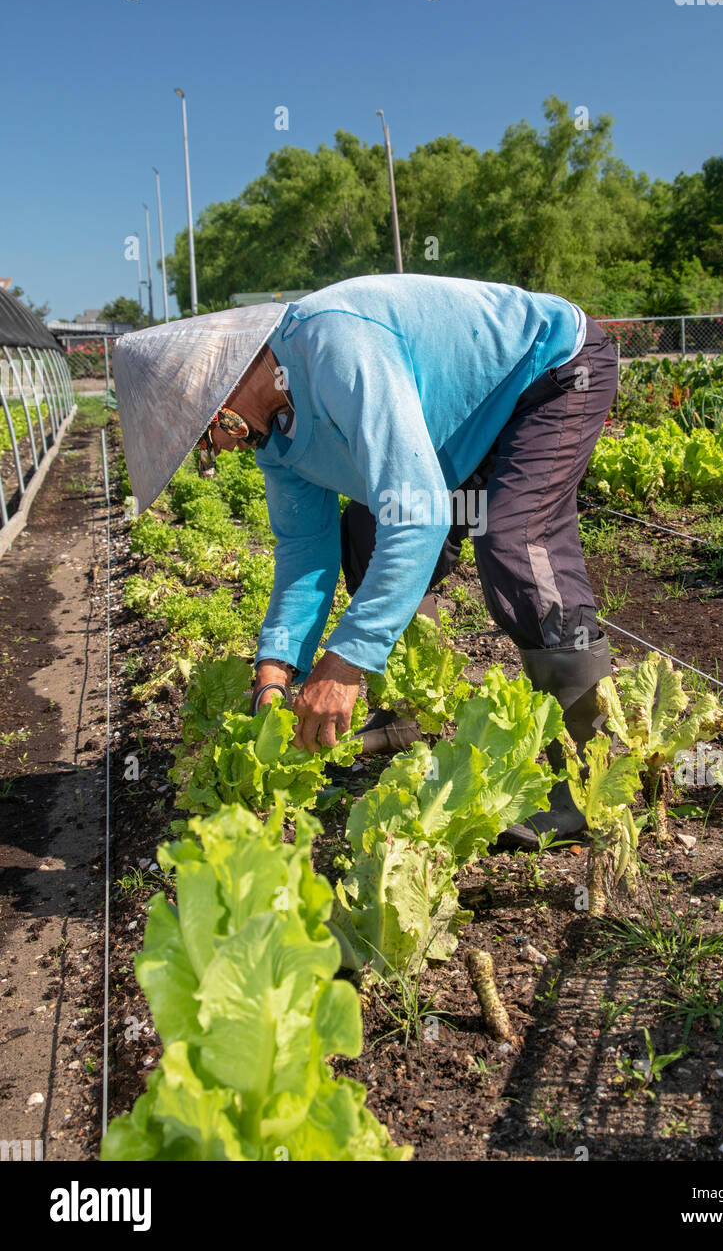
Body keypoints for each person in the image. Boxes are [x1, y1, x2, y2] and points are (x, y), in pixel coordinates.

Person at [113, 273, 618, 849]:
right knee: (364, 530)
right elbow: (306, 551)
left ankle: (585, 771)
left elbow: (420, 514)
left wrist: (346, 663)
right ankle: (406, 713)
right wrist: (277, 665)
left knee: (513, 539)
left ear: (227, 383)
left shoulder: (336, 349)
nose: (221, 449)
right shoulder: (274, 439)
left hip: (547, 373)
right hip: (460, 424)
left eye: (208, 434)